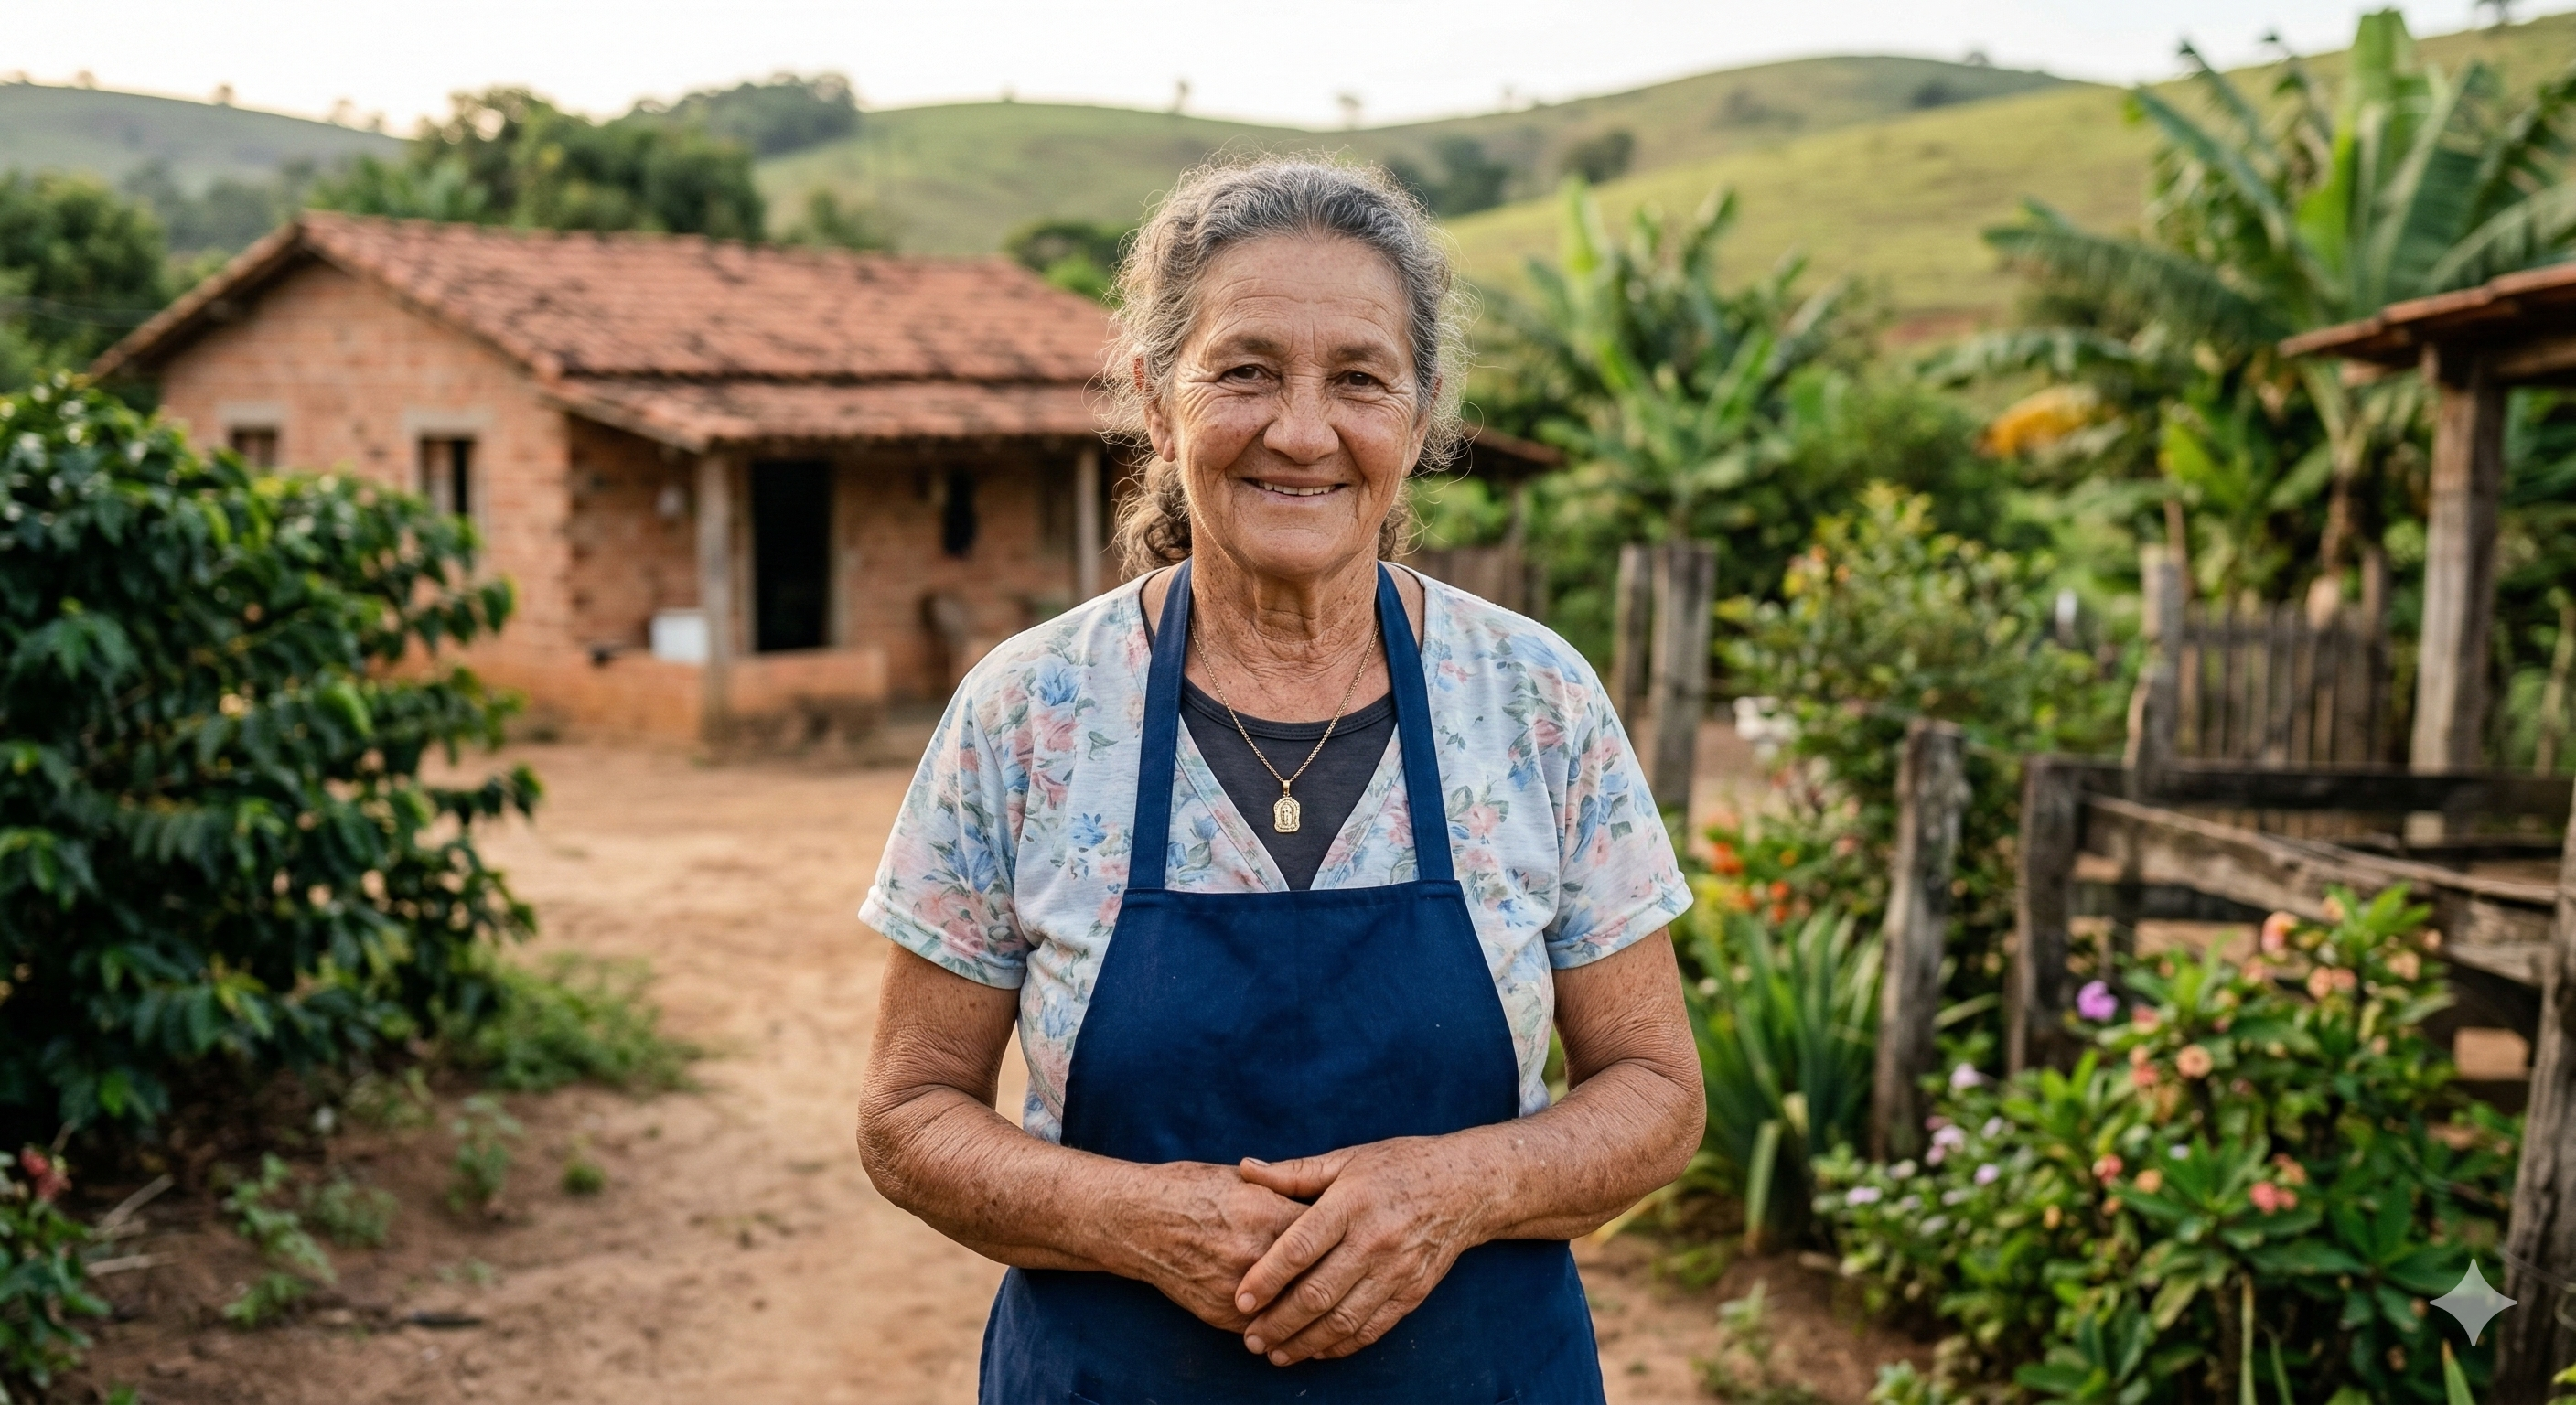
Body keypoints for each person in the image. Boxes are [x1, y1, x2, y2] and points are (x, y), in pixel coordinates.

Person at [856, 158, 1703, 1404]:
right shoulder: (1030, 712)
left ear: (1419, 421)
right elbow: (909, 1111)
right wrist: (1138, 1218)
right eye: (1245, 371)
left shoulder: (1534, 702)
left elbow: (1657, 1092)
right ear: (1156, 404)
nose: (1302, 432)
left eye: (1359, 379)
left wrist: (1451, 1192)